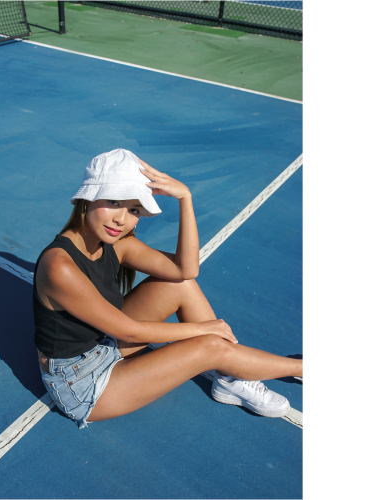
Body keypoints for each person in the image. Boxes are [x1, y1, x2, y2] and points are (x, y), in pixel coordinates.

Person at [34, 149, 302, 429]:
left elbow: (186, 270)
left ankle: (231, 378)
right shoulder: (59, 267)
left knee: (181, 285)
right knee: (210, 345)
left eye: (134, 209)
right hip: (81, 383)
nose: (122, 219)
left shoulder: (117, 244)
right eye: (113, 202)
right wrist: (203, 329)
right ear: (88, 197)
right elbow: (128, 331)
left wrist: (185, 198)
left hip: (104, 342)